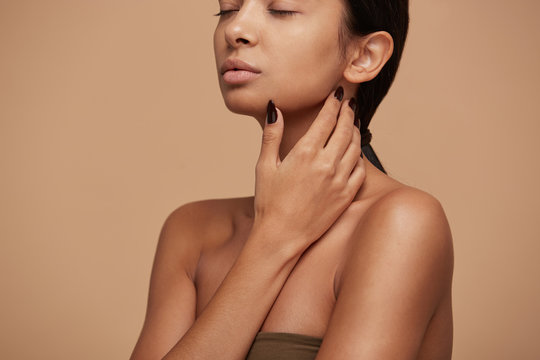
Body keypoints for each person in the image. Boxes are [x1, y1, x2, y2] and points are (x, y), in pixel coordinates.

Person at [130, 0, 454, 359]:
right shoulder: (191, 232)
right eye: (227, 9)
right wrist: (274, 239)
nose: (235, 29)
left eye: (281, 9)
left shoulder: (402, 224)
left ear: (364, 56)